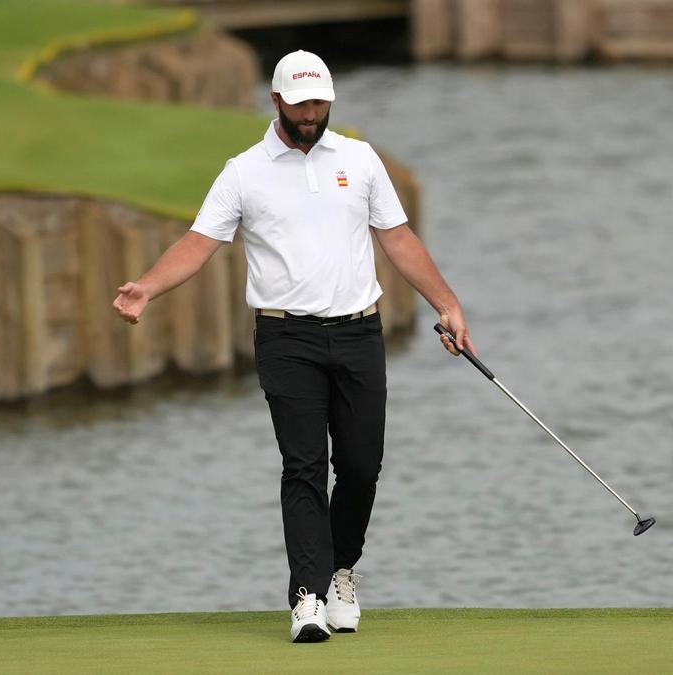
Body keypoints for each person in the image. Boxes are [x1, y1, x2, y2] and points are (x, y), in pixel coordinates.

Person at [112, 50, 475, 643]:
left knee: (361, 465)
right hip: (286, 337)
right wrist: (147, 288)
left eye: (320, 102)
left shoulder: (359, 160)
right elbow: (199, 242)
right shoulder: (244, 171)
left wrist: (448, 303)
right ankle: (307, 598)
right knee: (304, 465)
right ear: (277, 100)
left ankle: (340, 570)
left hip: (359, 331)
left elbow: (399, 239)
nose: (312, 113)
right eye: (301, 102)